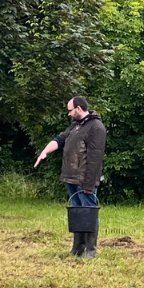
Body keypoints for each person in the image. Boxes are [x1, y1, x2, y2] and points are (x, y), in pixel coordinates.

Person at [34, 96, 108, 259]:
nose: (68, 114)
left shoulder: (96, 127)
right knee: (77, 212)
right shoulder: (76, 125)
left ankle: (91, 250)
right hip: (71, 178)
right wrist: (44, 152)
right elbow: (60, 139)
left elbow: (95, 158)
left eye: (70, 110)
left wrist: (89, 184)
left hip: (84, 180)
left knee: (88, 212)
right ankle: (78, 248)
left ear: (79, 108)